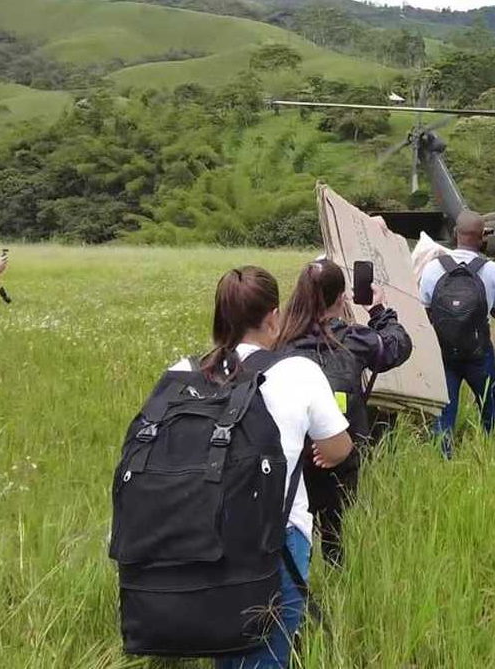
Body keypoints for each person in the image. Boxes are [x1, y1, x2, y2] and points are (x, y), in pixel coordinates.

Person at [170, 267, 353, 669]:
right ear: (273, 316)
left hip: (198, 532)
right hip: (276, 534)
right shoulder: (299, 372)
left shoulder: (182, 373)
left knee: (225, 641)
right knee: (265, 651)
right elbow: (339, 448)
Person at [274, 259, 413, 567]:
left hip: (297, 454)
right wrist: (380, 312)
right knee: (337, 525)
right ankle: (337, 572)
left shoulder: (279, 343)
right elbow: (399, 344)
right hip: (342, 449)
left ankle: (301, 578)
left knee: (298, 518)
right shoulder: (353, 339)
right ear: (342, 298)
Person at [419, 210, 495, 458]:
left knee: (445, 410)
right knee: (489, 406)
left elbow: (426, 309)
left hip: (444, 350)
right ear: (482, 238)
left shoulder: (432, 268)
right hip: (479, 351)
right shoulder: (493, 270)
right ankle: (491, 453)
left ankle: (443, 458)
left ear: (456, 233)